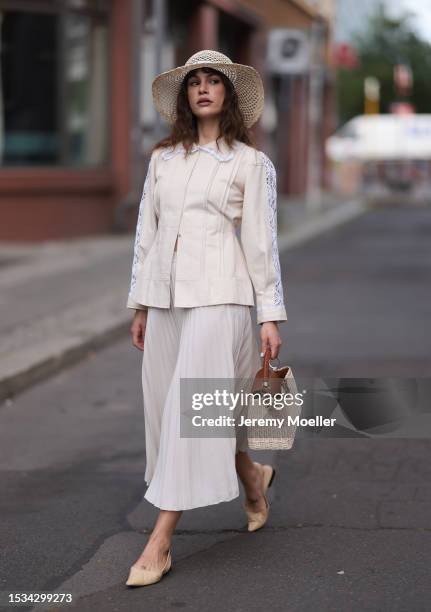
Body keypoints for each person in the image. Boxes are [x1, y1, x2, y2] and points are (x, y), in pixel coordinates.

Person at [125, 50, 287, 587]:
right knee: (181, 408)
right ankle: (253, 475)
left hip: (224, 297)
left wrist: (270, 315)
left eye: (212, 81)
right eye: (193, 81)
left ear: (228, 94)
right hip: (168, 300)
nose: (202, 89)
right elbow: (146, 234)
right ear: (184, 96)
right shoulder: (162, 160)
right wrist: (141, 302)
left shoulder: (249, 163)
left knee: (189, 412)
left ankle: (160, 541)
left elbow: (261, 246)